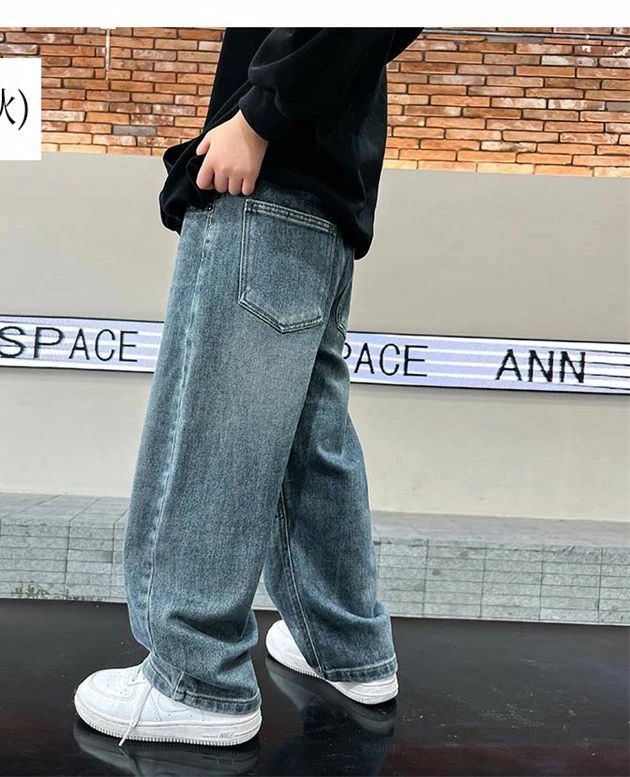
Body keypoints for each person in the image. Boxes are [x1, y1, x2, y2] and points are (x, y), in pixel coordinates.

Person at [74, 26, 424, 747]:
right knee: (308, 435)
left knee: (215, 428)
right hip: (322, 196)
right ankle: (346, 646)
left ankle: (196, 678)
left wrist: (258, 116)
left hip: (270, 178)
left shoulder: (268, 127)